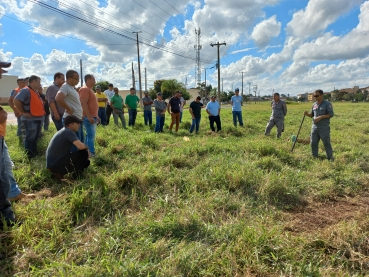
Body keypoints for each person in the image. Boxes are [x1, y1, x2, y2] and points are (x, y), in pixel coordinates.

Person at [46, 115, 90, 180]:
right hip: (55, 165)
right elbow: (80, 147)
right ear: (71, 125)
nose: (79, 125)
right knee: (83, 153)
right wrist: (86, 149)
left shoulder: (64, 131)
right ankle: (76, 177)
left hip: (52, 164)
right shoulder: (69, 132)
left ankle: (58, 173)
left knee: (86, 162)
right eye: (77, 123)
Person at [0, 60, 16, 229]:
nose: (2, 72)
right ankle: (6, 218)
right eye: (0, 68)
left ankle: (12, 195)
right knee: (1, 176)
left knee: (5, 168)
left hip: (1, 136)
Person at [14, 75, 46, 159]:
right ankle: (30, 156)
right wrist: (23, 112)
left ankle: (34, 153)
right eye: (38, 82)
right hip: (30, 119)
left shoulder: (35, 92)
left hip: (38, 118)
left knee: (35, 137)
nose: (40, 84)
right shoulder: (25, 90)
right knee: (30, 138)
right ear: (33, 81)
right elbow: (16, 100)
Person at [304, 89, 334, 161]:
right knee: (313, 142)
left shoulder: (327, 104)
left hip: (324, 127)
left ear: (321, 95)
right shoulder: (314, 105)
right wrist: (307, 114)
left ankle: (330, 158)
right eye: (314, 96)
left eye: (317, 96)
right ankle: (315, 157)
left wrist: (321, 117)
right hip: (314, 127)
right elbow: (312, 115)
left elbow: (331, 114)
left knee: (326, 143)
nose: (315, 97)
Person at [55, 70, 84, 143]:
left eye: (78, 79)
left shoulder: (72, 88)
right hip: (72, 120)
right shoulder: (66, 87)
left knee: (80, 141)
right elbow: (58, 98)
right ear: (69, 78)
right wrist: (68, 108)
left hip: (77, 119)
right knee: (75, 144)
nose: (78, 80)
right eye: (76, 78)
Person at [80, 74, 99, 157]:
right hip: (88, 117)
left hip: (92, 116)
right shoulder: (84, 89)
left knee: (89, 135)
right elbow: (83, 103)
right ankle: (91, 153)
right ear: (88, 80)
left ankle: (88, 152)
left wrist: (96, 116)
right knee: (90, 135)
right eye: (93, 79)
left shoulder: (89, 90)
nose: (95, 81)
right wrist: (89, 116)